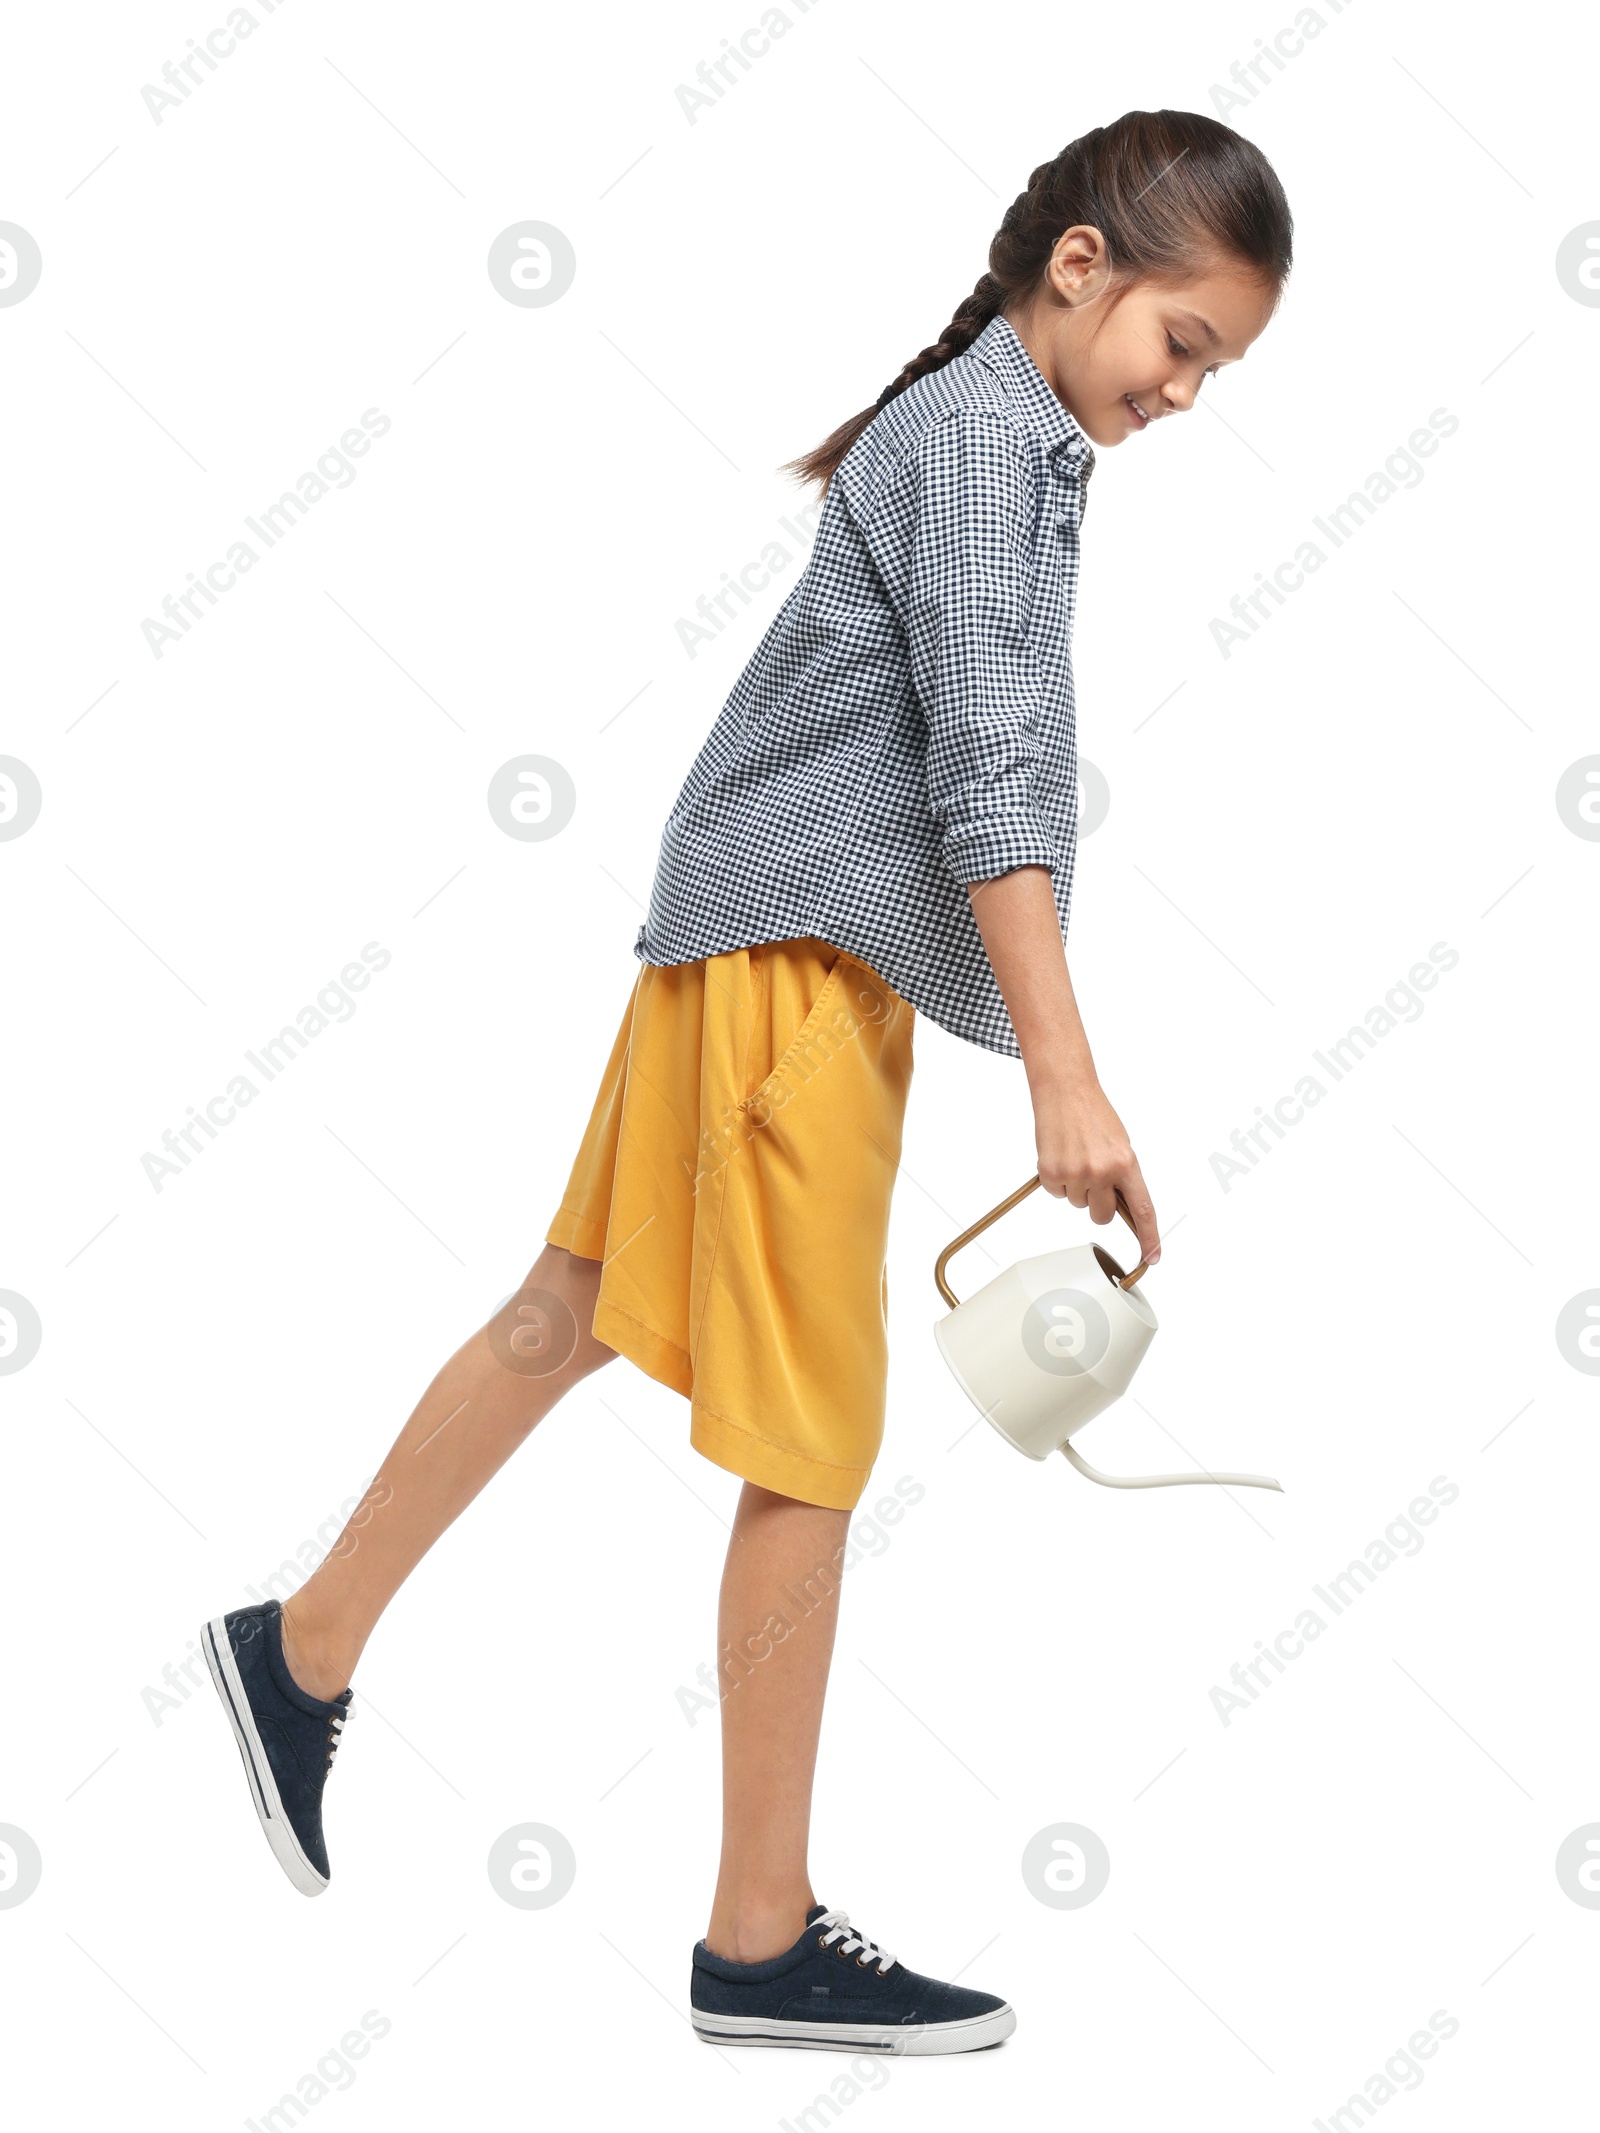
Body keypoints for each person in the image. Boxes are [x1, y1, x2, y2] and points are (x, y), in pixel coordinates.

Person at [201, 107, 1291, 2058]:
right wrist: (1065, 1073)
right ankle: (753, 1928)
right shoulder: (981, 443)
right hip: (790, 962)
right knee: (808, 1441)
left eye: (1213, 363)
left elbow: (974, 752)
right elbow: (987, 771)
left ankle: (298, 1650)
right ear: (1079, 272)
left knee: (572, 1304)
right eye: (1184, 341)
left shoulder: (1002, 431)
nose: (1187, 390)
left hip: (756, 936)